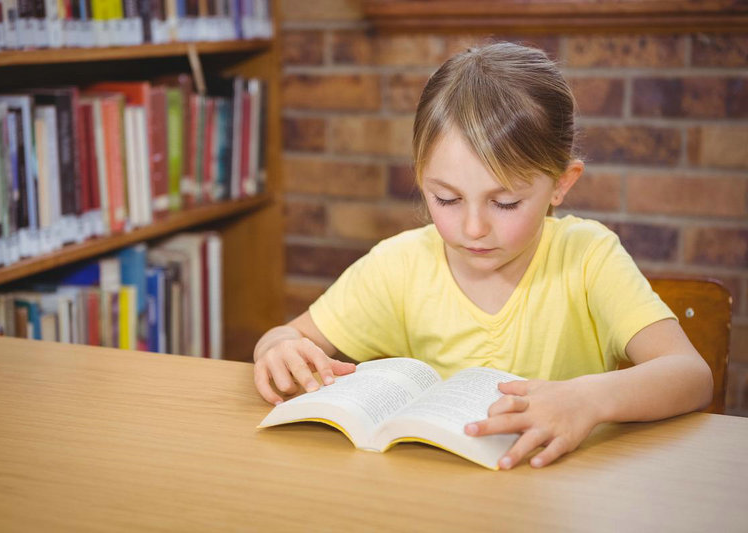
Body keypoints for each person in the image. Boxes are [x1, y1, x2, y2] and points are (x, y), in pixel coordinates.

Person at [252, 42, 713, 469]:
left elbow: (691, 375)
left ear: (561, 183)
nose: (472, 228)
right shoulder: (399, 265)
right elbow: (284, 336)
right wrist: (279, 352)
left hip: (559, 494)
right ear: (420, 176)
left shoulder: (588, 257)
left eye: (505, 203)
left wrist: (588, 400)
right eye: (446, 199)